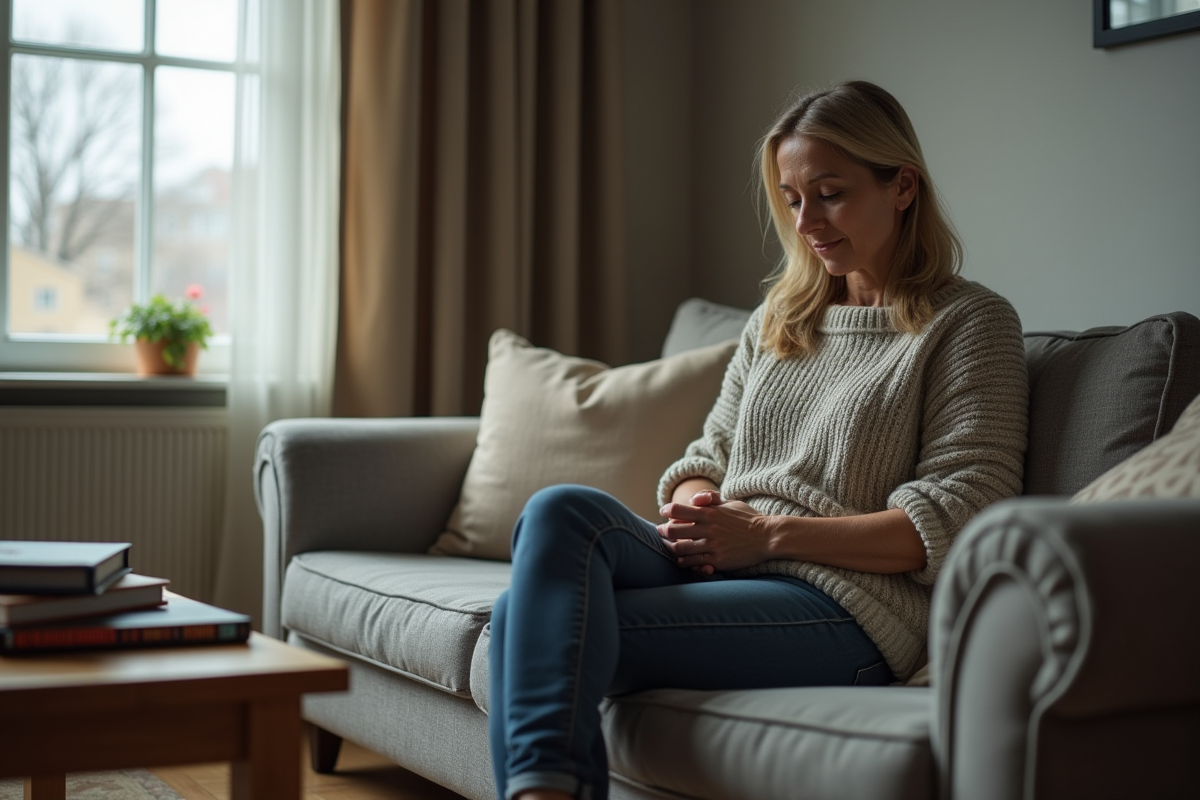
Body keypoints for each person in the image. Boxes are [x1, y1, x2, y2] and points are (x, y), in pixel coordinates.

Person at [487, 80, 1029, 800]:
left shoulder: (971, 325)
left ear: (902, 187)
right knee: (560, 512)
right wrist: (702, 508)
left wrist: (769, 536)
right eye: (793, 197)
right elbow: (706, 453)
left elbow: (960, 522)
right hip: (727, 558)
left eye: (830, 193)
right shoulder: (783, 316)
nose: (807, 220)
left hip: (850, 610)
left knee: (516, 622)